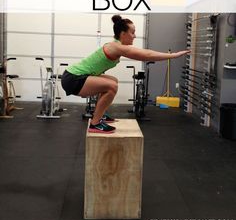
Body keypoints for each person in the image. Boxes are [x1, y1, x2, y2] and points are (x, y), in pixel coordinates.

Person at [61, 15, 190, 134]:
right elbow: (147, 55)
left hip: (75, 76)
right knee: (111, 86)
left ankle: (99, 114)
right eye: (132, 32)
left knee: (113, 80)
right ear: (123, 33)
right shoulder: (116, 47)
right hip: (73, 78)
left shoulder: (116, 46)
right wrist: (172, 55)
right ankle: (95, 124)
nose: (134, 36)